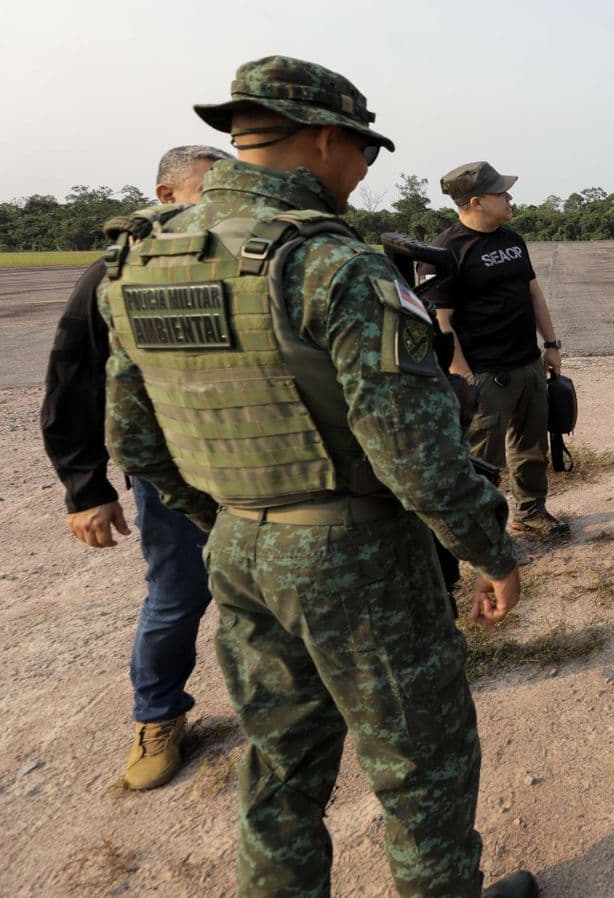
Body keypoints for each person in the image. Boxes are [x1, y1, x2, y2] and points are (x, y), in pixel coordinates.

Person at [99, 55, 534, 898]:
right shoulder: (332, 263)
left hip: (237, 546)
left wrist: (233, 515)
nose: (365, 172)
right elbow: (413, 452)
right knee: (421, 765)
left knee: (281, 764)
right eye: (364, 152)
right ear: (327, 139)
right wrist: (491, 548)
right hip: (357, 557)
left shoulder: (143, 258)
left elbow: (134, 438)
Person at [40, 143, 227, 790]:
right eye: (209, 186)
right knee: (177, 598)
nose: (221, 200)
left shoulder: (245, 260)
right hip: (170, 473)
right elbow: (73, 381)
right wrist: (84, 487)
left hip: (257, 463)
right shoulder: (116, 273)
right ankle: (158, 717)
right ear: (166, 193)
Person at [427, 161, 568, 538]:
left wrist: (551, 345)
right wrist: (463, 374)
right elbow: (441, 320)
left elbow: (533, 293)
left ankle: (530, 511)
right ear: (476, 201)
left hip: (527, 361)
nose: (509, 198)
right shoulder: (446, 251)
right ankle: (482, 533)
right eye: (500, 193)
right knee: (482, 459)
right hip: (486, 374)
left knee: (531, 446)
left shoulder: (511, 238)